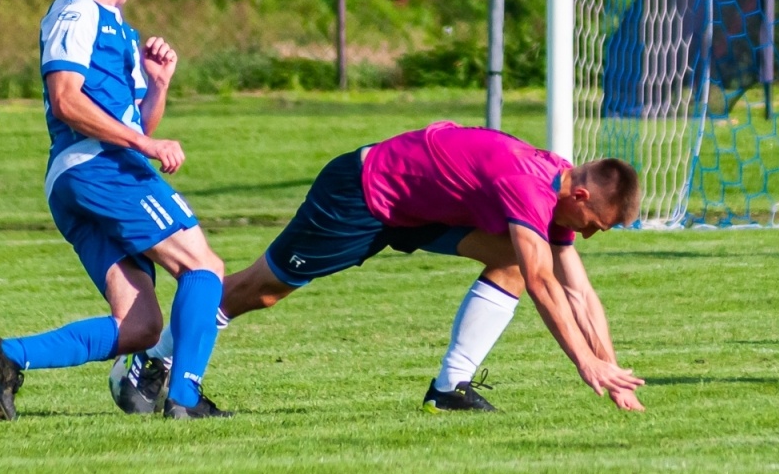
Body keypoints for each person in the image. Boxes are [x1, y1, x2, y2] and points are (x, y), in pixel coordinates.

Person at [111, 122, 646, 414]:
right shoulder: (527, 187)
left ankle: (449, 387)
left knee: (510, 260)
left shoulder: (555, 189)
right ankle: (151, 362)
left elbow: (579, 291)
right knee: (262, 289)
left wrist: (612, 370)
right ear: (580, 195)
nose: (591, 234)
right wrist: (585, 365)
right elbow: (544, 285)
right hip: (362, 195)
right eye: (597, 223)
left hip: (418, 211)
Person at [0, 0, 231, 421]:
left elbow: (141, 128)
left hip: (87, 178)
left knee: (140, 327)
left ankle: (7, 357)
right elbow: (66, 100)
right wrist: (144, 144)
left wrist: (158, 84)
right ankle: (184, 398)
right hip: (99, 169)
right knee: (203, 266)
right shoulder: (76, 11)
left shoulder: (124, 34)